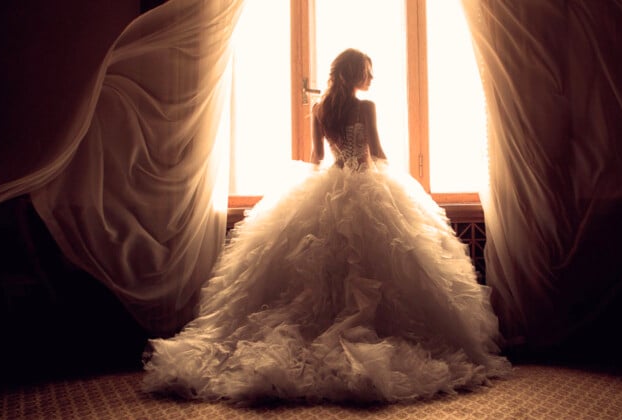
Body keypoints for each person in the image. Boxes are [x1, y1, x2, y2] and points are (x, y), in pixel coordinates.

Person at [142, 48, 510, 403]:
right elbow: (377, 153)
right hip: (365, 183)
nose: (372, 77)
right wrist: (403, 183)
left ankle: (323, 331)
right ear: (354, 73)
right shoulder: (365, 106)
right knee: (378, 266)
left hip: (332, 181)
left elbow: (317, 158)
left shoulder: (321, 108)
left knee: (323, 274)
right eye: (368, 70)